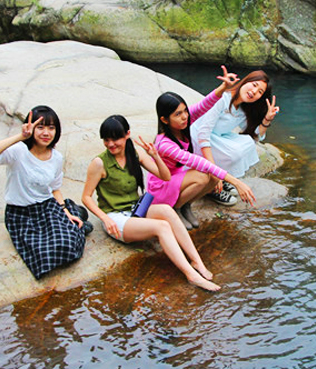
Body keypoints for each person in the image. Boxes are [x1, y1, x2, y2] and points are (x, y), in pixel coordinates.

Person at [81, 115, 220, 291]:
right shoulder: (99, 163)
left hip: (135, 210)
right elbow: (86, 197)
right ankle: (190, 275)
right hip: (115, 218)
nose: (110, 144)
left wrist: (155, 156)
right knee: (161, 227)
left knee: (167, 211)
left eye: (115, 139)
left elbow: (165, 176)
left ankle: (196, 261)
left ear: (127, 135)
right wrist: (105, 219)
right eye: (106, 140)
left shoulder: (134, 154)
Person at [0, 105, 86, 279]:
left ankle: (74, 213)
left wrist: (65, 211)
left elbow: (55, 188)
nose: (46, 132)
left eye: (51, 128)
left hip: (46, 207)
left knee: (67, 244)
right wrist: (20, 137)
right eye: (40, 127)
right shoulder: (18, 151)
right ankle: (77, 215)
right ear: (31, 129)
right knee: (42, 255)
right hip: (21, 213)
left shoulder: (56, 157)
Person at [148, 66, 256, 229]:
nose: (184, 116)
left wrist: (223, 88)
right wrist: (236, 182)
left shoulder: (181, 124)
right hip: (161, 186)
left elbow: (203, 105)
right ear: (164, 119)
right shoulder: (164, 144)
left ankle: (185, 205)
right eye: (178, 114)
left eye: (185, 111)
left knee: (213, 176)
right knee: (204, 175)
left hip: (176, 177)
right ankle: (174, 208)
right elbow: (198, 162)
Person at [191, 70, 280, 206]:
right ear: (245, 81)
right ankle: (212, 185)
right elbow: (203, 134)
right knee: (233, 153)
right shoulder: (223, 99)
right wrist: (214, 172)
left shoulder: (243, 109)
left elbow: (256, 137)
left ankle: (221, 178)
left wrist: (267, 119)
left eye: (260, 92)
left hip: (216, 138)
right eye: (254, 85)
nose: (254, 92)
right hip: (198, 138)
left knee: (248, 143)